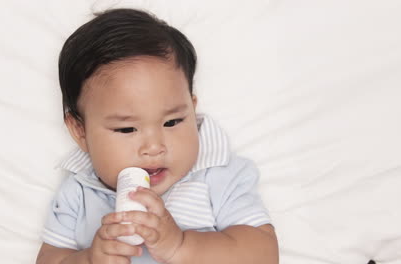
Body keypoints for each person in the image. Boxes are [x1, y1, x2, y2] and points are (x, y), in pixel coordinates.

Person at [36, 8, 278, 264]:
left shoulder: (218, 177)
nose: (154, 147)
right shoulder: (79, 192)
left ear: (192, 109)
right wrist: (88, 260)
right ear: (80, 131)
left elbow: (264, 254)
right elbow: (49, 258)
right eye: (127, 129)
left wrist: (180, 246)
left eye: (172, 122)